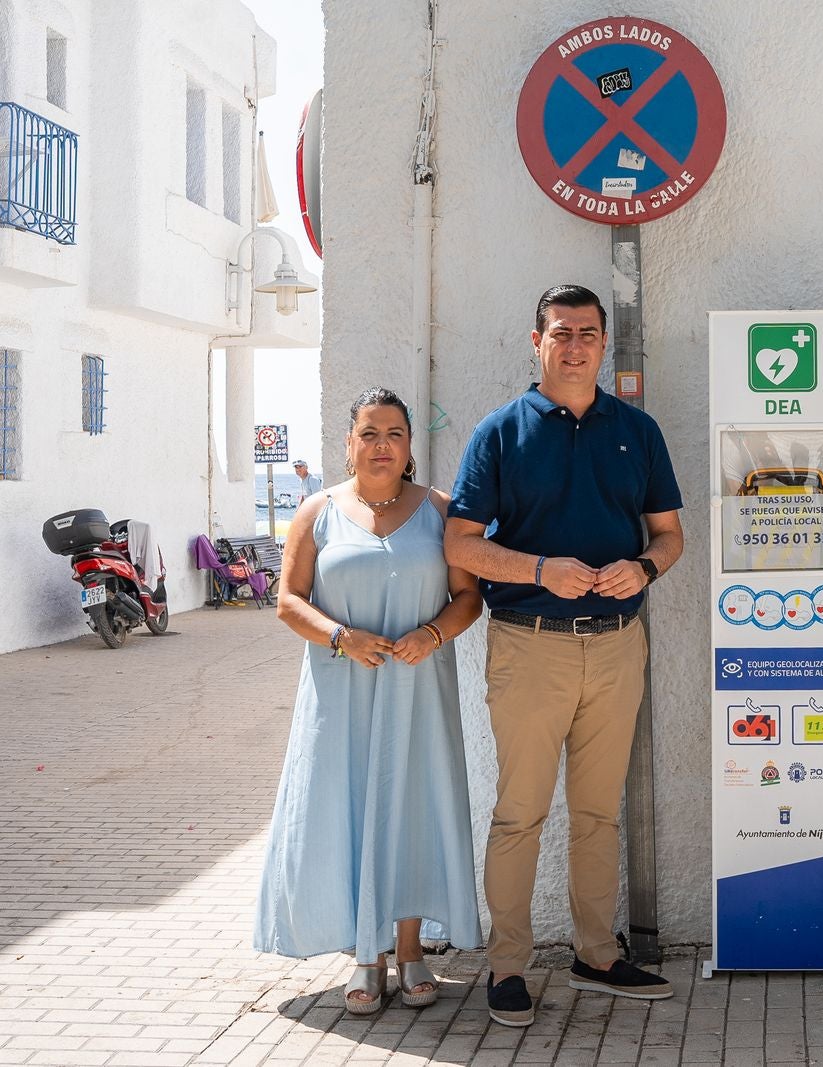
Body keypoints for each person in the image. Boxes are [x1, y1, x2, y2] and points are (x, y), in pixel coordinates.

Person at [445, 284, 684, 1028]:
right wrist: (540, 569)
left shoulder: (636, 430)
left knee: (598, 814)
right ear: (535, 340)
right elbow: (460, 543)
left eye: (586, 332)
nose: (574, 344)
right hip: (529, 647)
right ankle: (508, 964)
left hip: (617, 648)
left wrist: (642, 568)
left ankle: (596, 955)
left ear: (603, 343)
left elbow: (669, 536)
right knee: (519, 812)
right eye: (559, 331)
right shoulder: (499, 433)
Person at [255, 389, 485, 1015]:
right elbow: (288, 600)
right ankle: (366, 955)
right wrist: (340, 637)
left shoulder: (441, 511)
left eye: (395, 434)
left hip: (418, 688)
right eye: (369, 433)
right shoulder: (317, 511)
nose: (382, 445)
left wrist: (432, 634)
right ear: (349, 442)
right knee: (351, 806)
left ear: (410, 446)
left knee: (412, 805)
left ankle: (410, 952)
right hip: (343, 690)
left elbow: (469, 597)